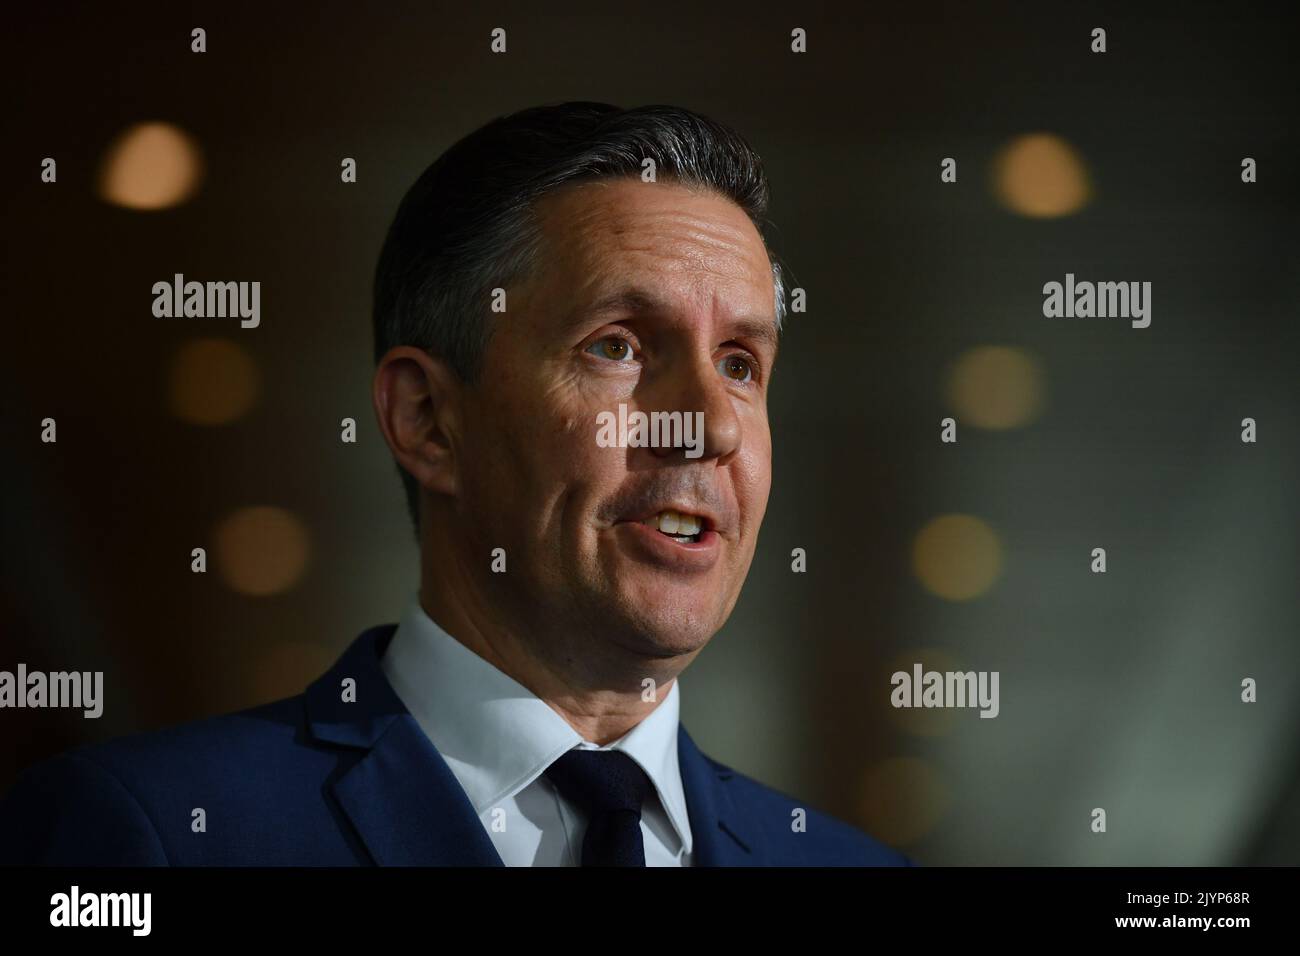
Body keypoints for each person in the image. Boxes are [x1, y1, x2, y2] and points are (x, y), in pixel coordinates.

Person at [0, 103, 909, 867]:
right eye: (619, 346)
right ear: (428, 420)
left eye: (742, 364)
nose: (709, 425)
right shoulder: (149, 834)